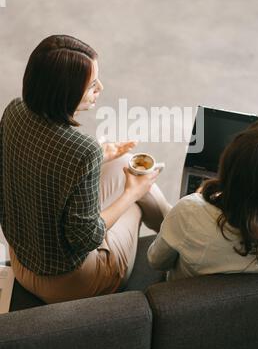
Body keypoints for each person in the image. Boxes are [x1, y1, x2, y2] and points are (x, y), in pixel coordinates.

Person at [0, 34, 171, 303]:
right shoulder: (82, 149)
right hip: (71, 282)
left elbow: (35, 166)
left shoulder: (14, 111)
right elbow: (86, 238)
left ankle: (178, 226)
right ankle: (182, 235)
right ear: (65, 92)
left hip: (22, 262)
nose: (100, 88)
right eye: (92, 84)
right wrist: (131, 194)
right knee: (139, 189)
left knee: (125, 161)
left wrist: (103, 156)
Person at [148, 119, 258, 279]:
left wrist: (199, 202)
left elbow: (157, 261)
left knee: (152, 197)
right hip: (250, 304)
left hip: (180, 298)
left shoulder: (189, 212)